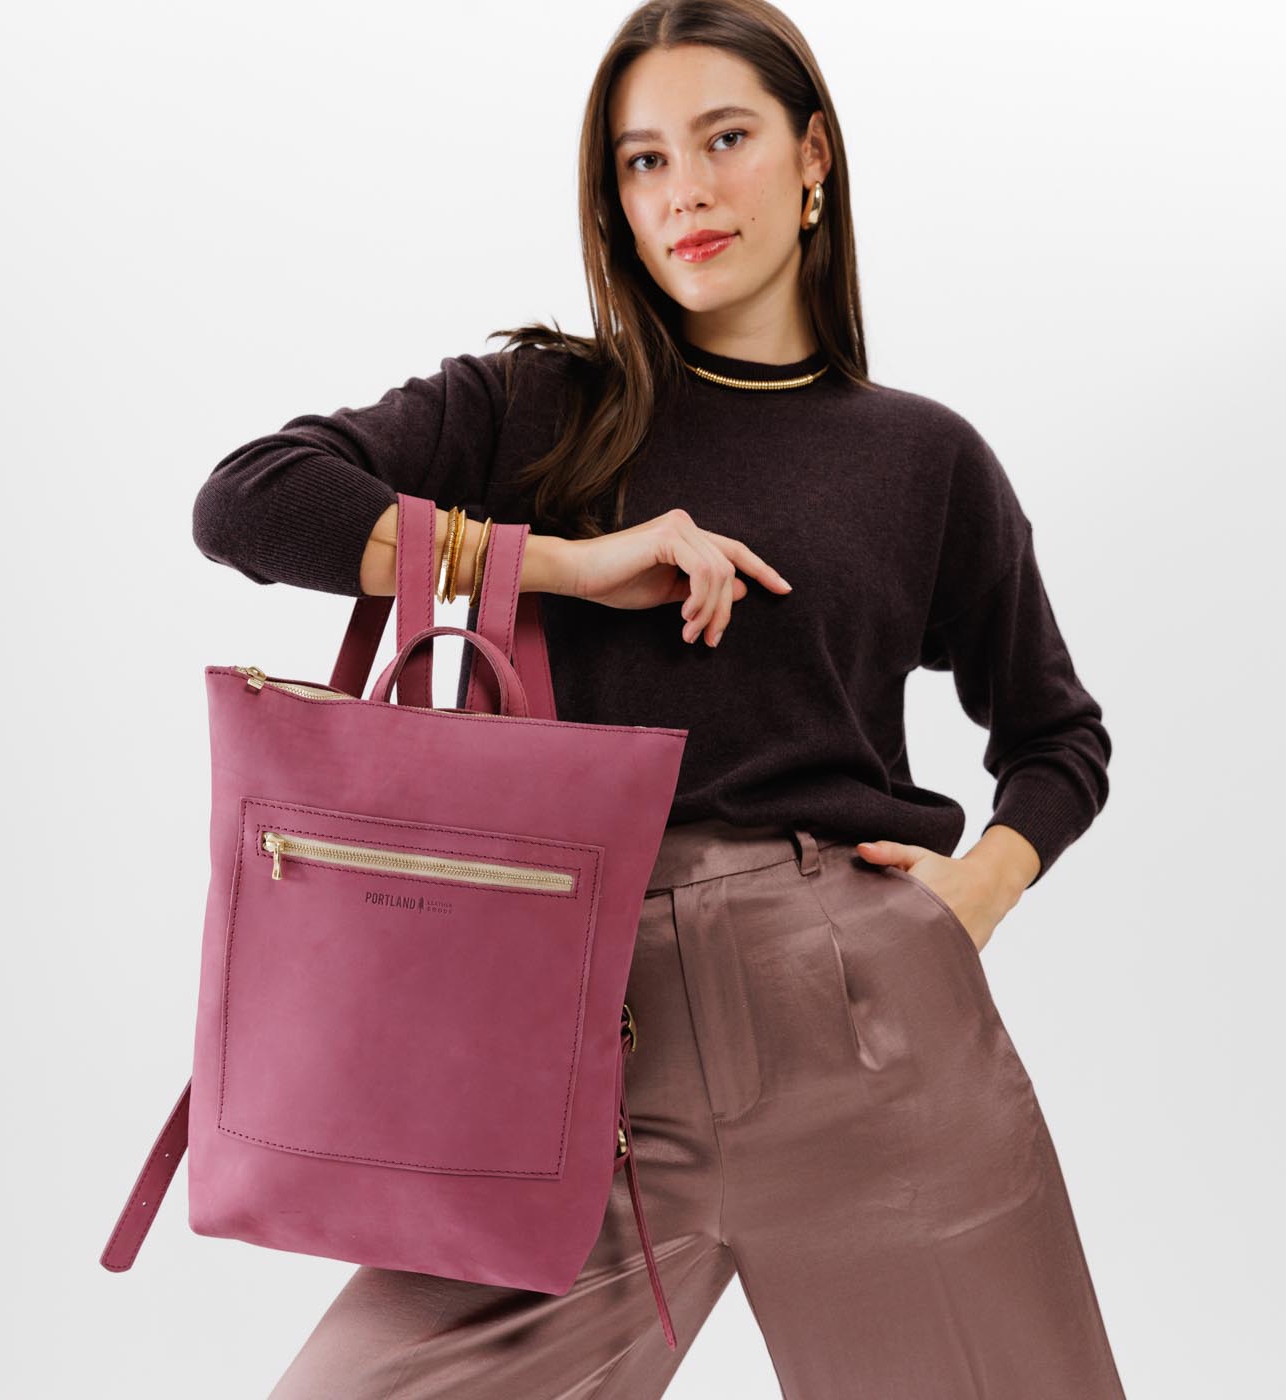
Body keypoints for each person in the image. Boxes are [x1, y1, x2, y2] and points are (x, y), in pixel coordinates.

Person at [192, 2, 1125, 1395]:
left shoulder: (924, 459)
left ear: (813, 158)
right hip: (573, 1041)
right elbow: (249, 502)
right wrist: (563, 563)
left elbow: (1056, 736)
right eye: (642, 161)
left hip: (863, 1020)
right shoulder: (536, 410)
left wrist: (980, 886)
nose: (683, 190)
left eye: (724, 138)